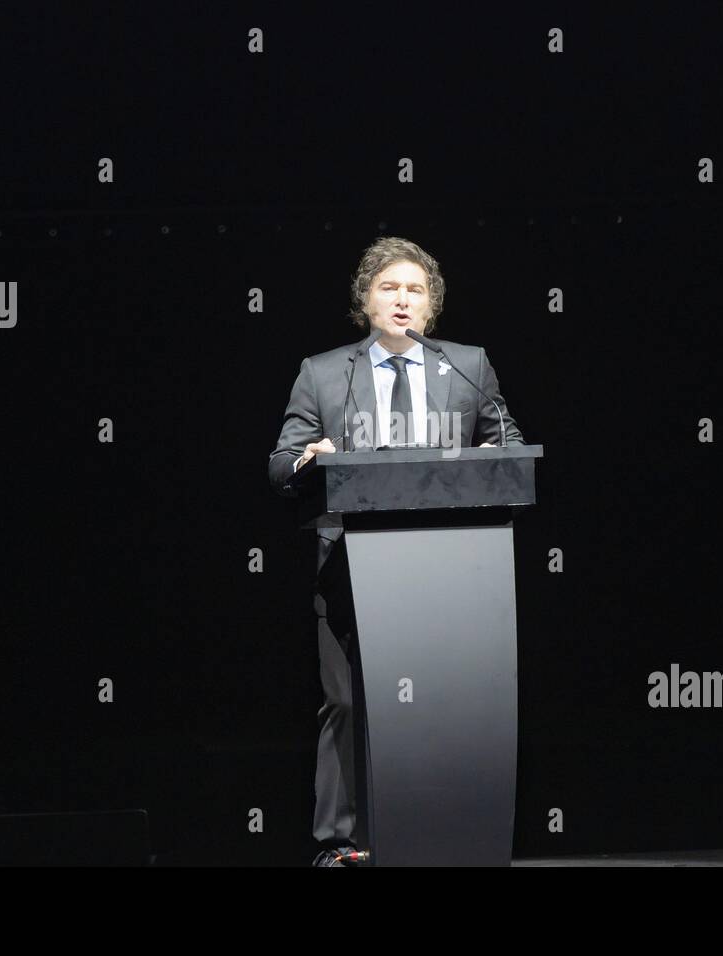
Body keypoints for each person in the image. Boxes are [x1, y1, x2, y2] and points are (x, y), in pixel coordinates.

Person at [267, 236, 525, 866]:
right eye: (389, 287)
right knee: (349, 702)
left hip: (448, 563)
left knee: (445, 701)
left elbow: (509, 442)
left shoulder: (467, 365)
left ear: (432, 303)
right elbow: (280, 464)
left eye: (415, 289)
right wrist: (308, 459)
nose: (402, 300)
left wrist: (497, 456)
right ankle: (341, 845)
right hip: (349, 565)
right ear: (365, 299)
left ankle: (449, 832)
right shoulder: (324, 372)